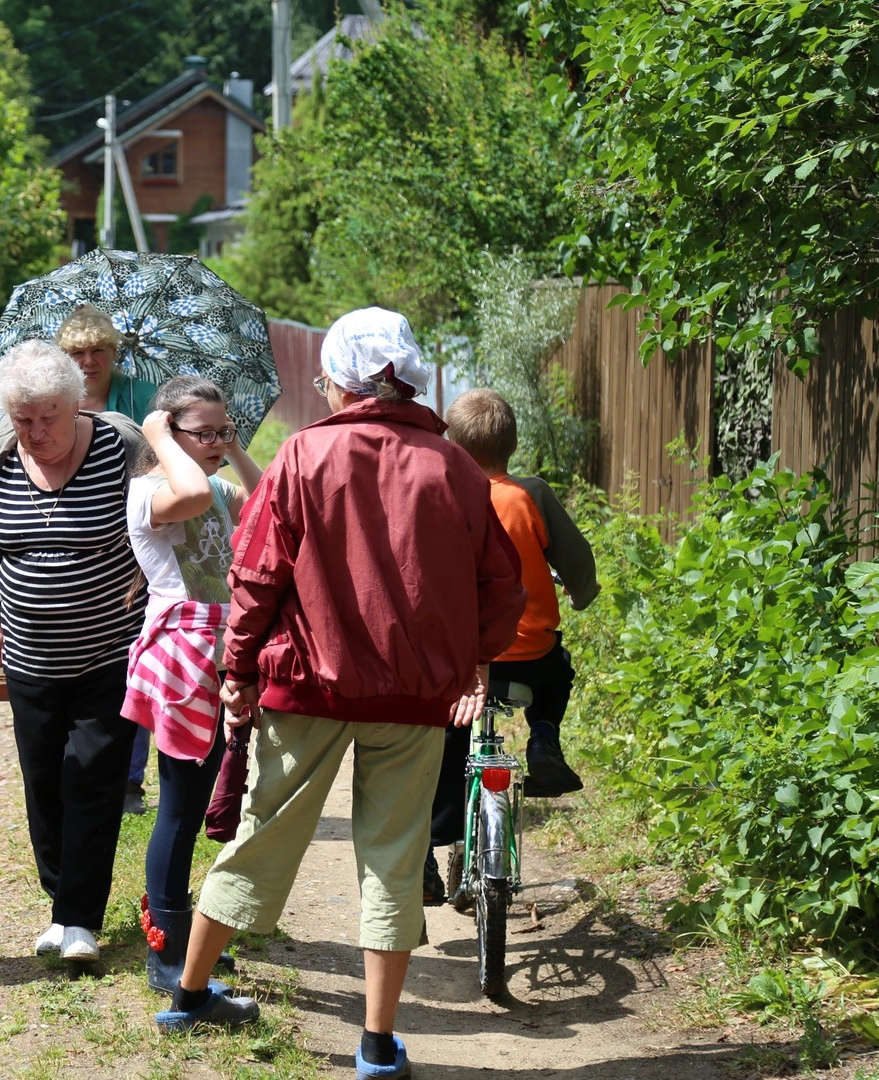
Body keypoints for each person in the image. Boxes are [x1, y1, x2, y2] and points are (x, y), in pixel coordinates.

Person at [154, 308, 526, 1080]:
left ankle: (189, 997)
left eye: (325, 377)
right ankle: (378, 1044)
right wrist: (470, 660)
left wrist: (238, 670)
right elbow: (502, 587)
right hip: (416, 699)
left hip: (308, 684)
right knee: (393, 861)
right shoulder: (455, 466)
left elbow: (256, 576)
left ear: (344, 381)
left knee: (262, 837)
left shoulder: (302, 456)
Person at [0, 339, 149, 963]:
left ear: (77, 405)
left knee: (91, 779)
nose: (37, 432)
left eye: (49, 418)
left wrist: (152, 572)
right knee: (43, 782)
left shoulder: (121, 446)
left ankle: (79, 920)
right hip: (29, 656)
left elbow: (168, 516)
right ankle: (59, 902)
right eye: (23, 420)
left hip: (110, 652)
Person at [426, 388, 600, 893]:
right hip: (528, 656)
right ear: (514, 444)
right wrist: (578, 589)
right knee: (557, 673)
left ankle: (423, 854)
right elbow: (578, 559)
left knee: (444, 733)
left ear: (453, 446)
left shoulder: (442, 492)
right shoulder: (531, 494)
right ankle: (544, 737)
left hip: (463, 658)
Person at [121, 376, 262, 994]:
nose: (214, 442)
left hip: (223, 652)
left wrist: (234, 448)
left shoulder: (217, 482)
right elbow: (196, 495)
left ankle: (186, 940)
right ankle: (165, 947)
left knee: (200, 797)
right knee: (178, 809)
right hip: (181, 656)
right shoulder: (151, 491)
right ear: (167, 432)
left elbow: (272, 501)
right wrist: (157, 435)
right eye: (201, 432)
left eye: (222, 430)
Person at [55, 302, 159, 814]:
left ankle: (129, 780)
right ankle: (75, 767)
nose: (89, 361)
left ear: (115, 353)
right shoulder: (53, 403)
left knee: (131, 654)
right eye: (77, 351)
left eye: (99, 350)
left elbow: (164, 459)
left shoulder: (141, 398)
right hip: (72, 539)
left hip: (135, 537)